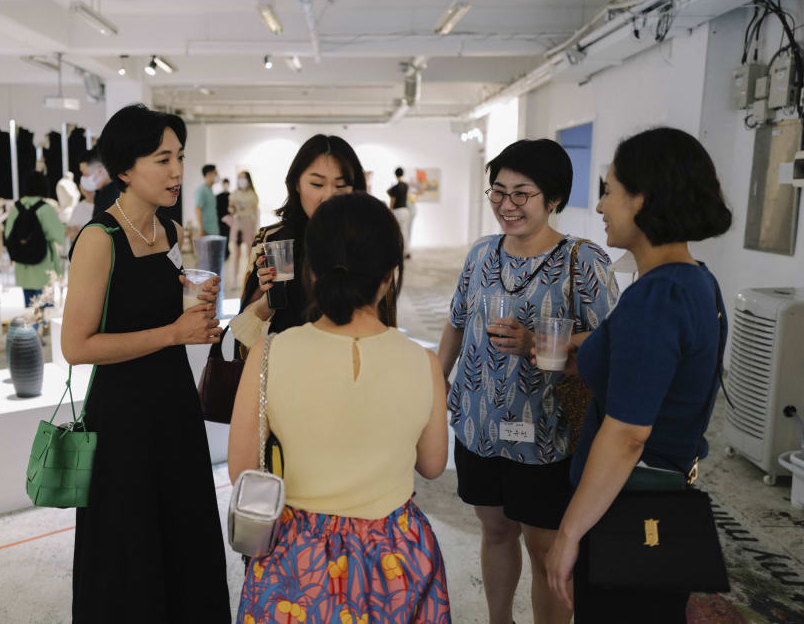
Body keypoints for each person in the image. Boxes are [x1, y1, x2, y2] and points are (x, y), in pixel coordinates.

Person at [229, 192, 451, 622]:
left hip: (297, 562)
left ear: (310, 270)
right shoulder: (423, 363)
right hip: (396, 556)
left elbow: (242, 470)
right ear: (390, 274)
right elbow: (433, 464)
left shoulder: (268, 354)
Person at [545, 127, 732, 623]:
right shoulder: (697, 281)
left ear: (642, 199)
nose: (600, 206)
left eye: (609, 191)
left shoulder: (657, 297)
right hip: (660, 495)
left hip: (628, 510)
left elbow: (628, 434)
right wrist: (588, 351)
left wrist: (568, 534)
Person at [436, 139, 617, 624]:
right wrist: (437, 385)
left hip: (546, 434)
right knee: (495, 531)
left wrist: (539, 342)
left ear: (553, 198)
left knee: (545, 547)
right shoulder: (481, 253)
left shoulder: (583, 260)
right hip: (478, 424)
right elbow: (456, 322)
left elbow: (611, 342)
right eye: (498, 192)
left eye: (522, 194)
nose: (506, 205)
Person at [60, 104, 230, 622]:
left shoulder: (169, 231)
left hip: (174, 408)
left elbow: (159, 310)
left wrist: (194, 309)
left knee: (181, 534)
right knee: (129, 547)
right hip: (123, 419)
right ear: (125, 170)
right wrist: (173, 333)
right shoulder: (99, 239)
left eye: (180, 156)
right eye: (163, 159)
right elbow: (76, 346)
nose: (177, 171)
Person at [231, 135, 368, 350]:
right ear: (296, 184)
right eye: (317, 184)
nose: (328, 196)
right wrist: (268, 297)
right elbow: (242, 340)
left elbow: (384, 325)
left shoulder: (367, 242)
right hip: (284, 360)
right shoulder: (275, 241)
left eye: (341, 185)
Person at [3, 172, 66, 307]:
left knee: (31, 310)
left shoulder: (16, 208)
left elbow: (8, 235)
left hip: (23, 266)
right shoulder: (45, 208)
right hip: (43, 266)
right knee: (46, 310)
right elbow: (59, 235)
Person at [229, 170, 259, 289]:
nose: (242, 180)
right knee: (236, 253)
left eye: (244, 178)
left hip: (248, 223)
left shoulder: (252, 195)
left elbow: (256, 213)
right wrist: (232, 209)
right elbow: (230, 208)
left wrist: (255, 229)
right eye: (239, 178)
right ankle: (234, 280)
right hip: (237, 223)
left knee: (249, 254)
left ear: (248, 179)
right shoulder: (234, 193)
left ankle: (249, 279)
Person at [79, 149, 117, 215]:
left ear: (100, 170)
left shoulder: (119, 194)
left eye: (85, 174)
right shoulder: (100, 193)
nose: (83, 178)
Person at [388, 166, 411, 257]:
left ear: (395, 175)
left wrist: (389, 210)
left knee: (396, 232)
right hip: (405, 210)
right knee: (405, 231)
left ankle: (398, 252)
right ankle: (406, 251)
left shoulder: (395, 188)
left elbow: (392, 200)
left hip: (397, 211)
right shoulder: (406, 186)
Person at [195, 164, 221, 237]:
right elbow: (198, 209)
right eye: (215, 173)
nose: (217, 175)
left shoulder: (210, 190)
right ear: (209, 174)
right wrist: (201, 229)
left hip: (213, 230)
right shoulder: (201, 190)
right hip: (206, 231)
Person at [216, 177, 232, 260]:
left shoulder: (231, 196)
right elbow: (216, 209)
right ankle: (223, 253)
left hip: (229, 221)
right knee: (221, 237)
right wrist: (222, 218)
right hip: (220, 221)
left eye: (227, 184)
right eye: (224, 184)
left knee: (227, 237)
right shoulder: (218, 196)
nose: (226, 185)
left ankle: (226, 253)